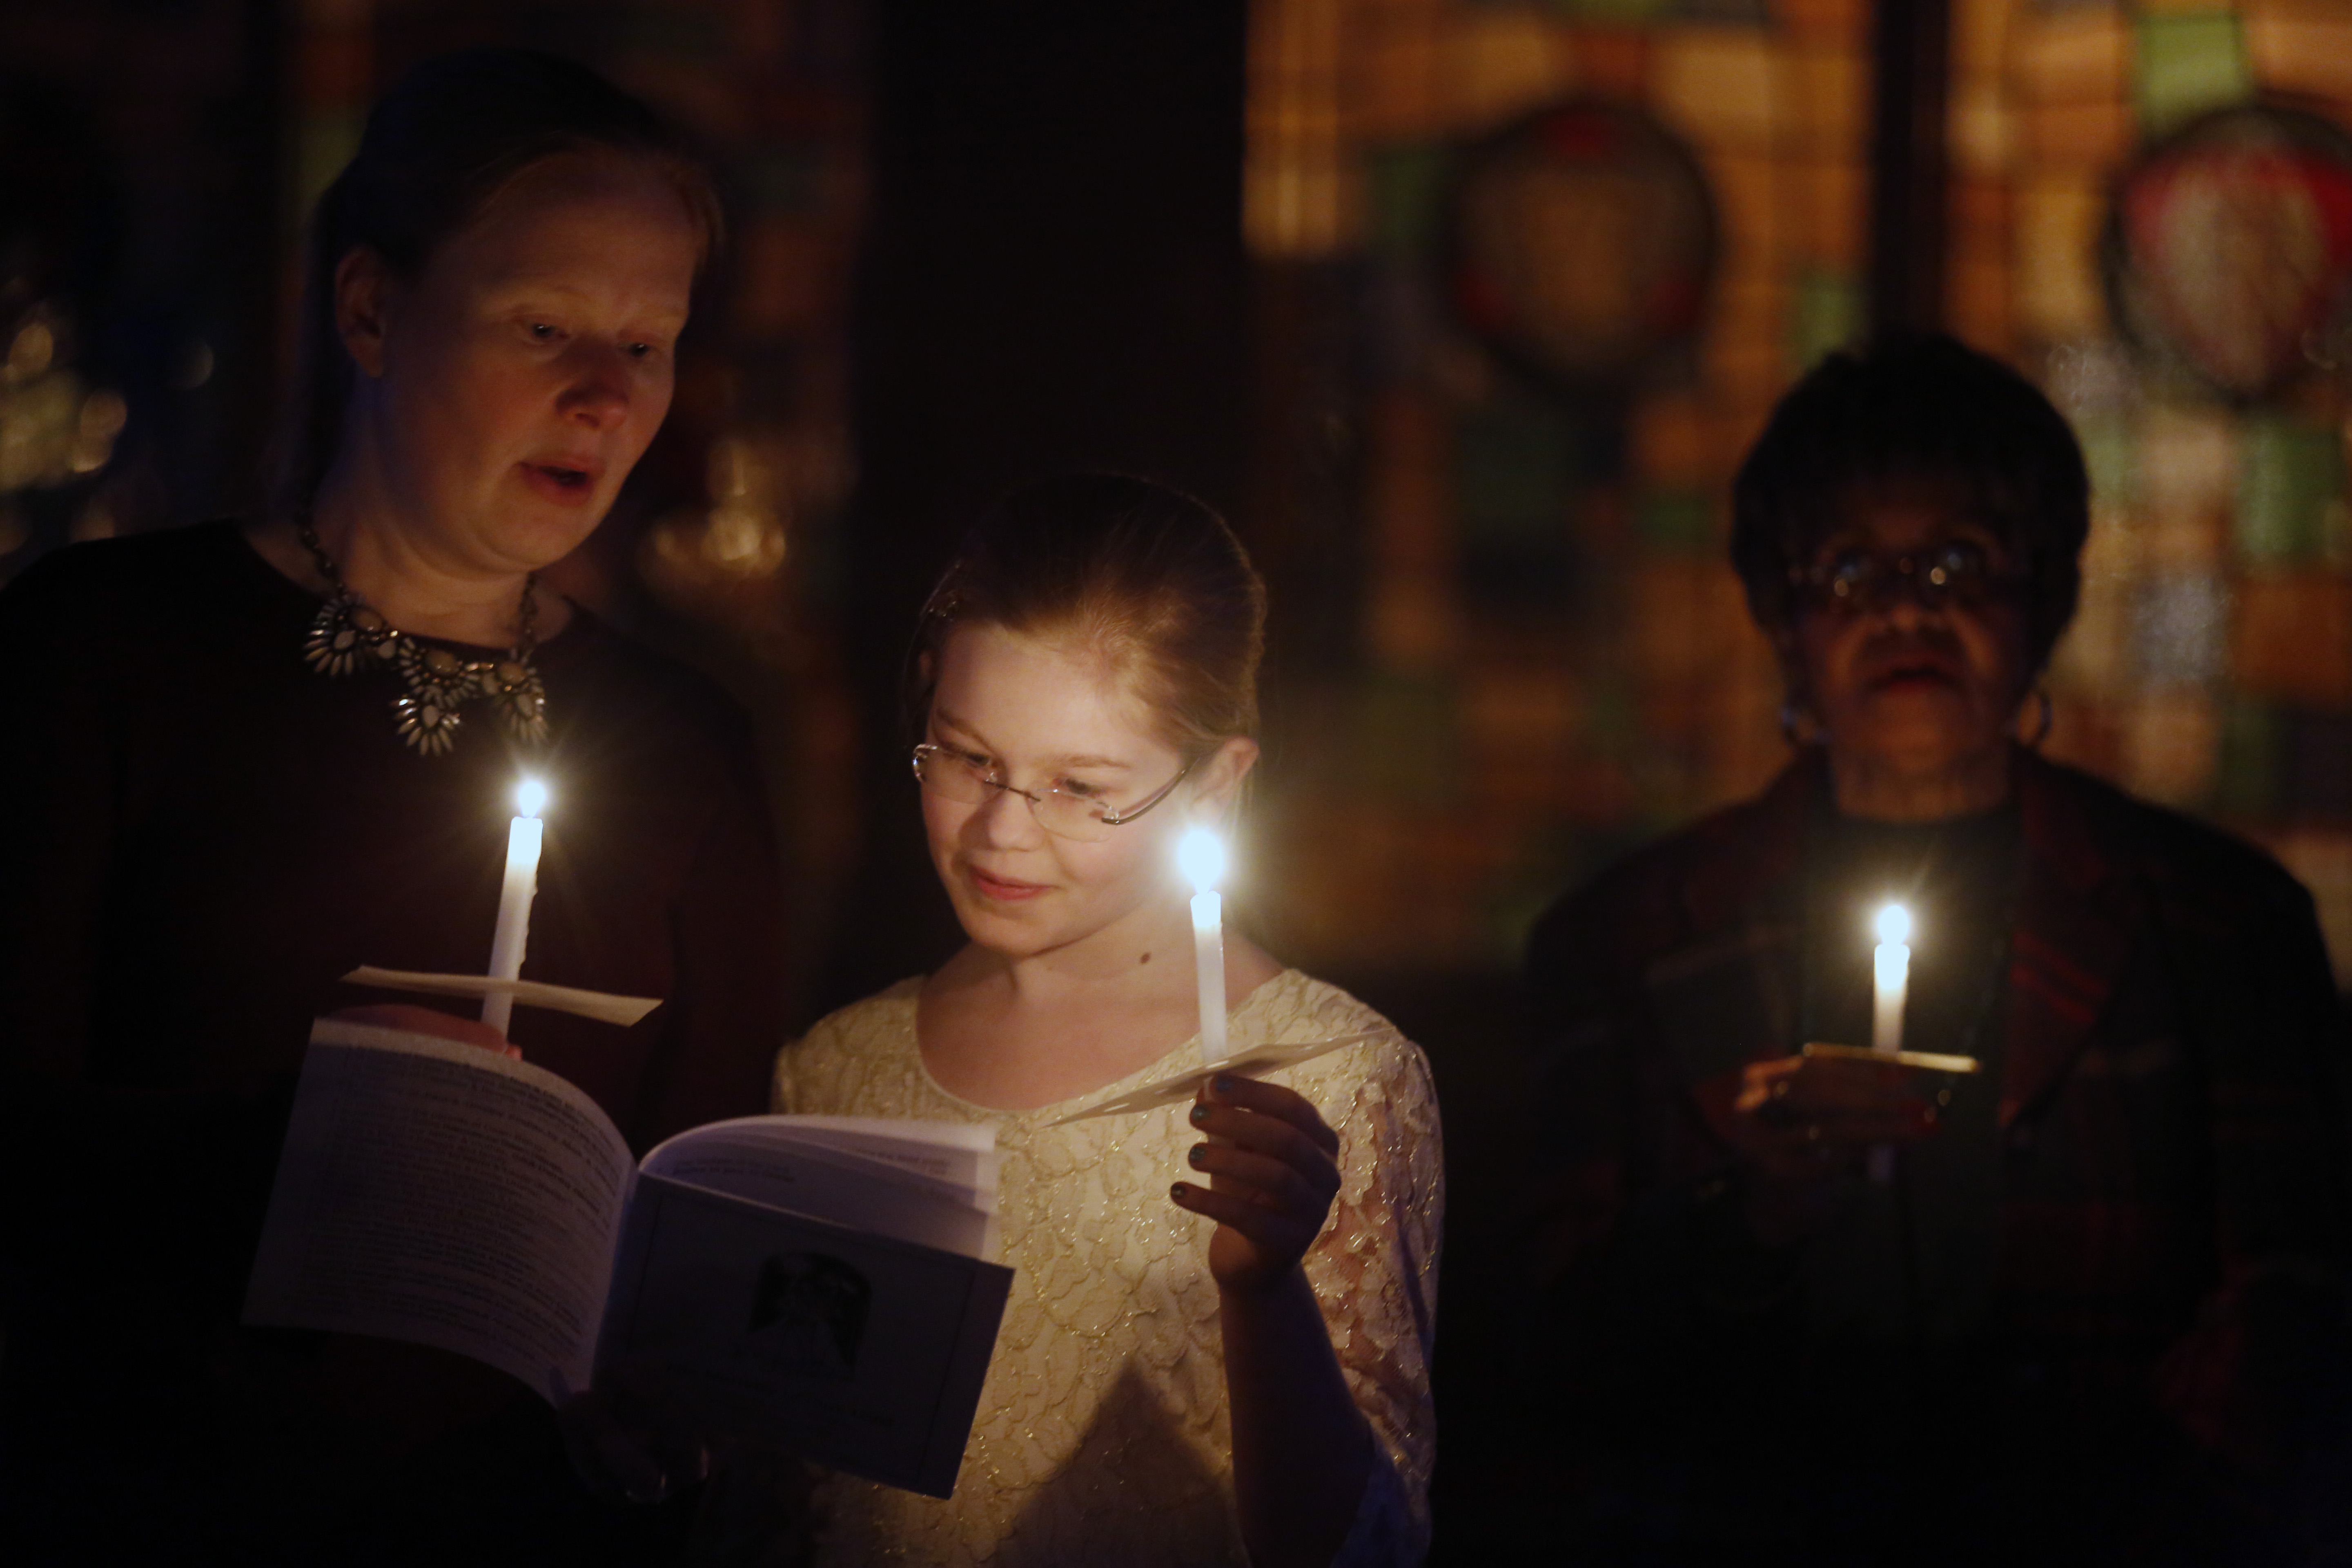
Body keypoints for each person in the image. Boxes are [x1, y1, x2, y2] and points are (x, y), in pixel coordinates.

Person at [0, 50, 785, 1564]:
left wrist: (681, 1396)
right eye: (546, 327)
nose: (608, 396)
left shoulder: (686, 746)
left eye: (651, 340)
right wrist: (288, 1161)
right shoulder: (98, 650)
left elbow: (708, 1185)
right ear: (370, 310)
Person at [1521, 334, 2351, 1564]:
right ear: (1780, 615)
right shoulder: (1629, 939)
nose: (1907, 608)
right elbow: (1559, 1344)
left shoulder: (2217, 923)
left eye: (1959, 561)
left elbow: (2298, 1305)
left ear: (2048, 596)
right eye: (1850, 568)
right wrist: (1747, 1214)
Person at [772, 474, 1443, 1567]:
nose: (1001, 832)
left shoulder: (1328, 1078)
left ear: (1216, 789)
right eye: (967, 757)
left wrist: (1263, 1289)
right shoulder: (840, 1065)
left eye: (1081, 787)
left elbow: (1363, 1543)